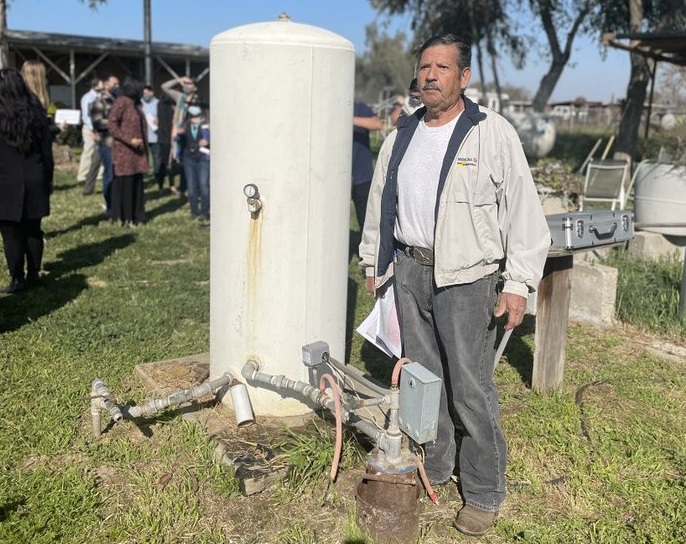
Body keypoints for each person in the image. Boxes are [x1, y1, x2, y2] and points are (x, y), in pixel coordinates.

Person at [359, 34, 550, 536]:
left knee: (470, 387)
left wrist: (519, 283)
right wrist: (373, 263)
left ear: (463, 78)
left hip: (468, 279)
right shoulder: (403, 132)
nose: (430, 75)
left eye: (442, 67)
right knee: (425, 382)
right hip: (411, 271)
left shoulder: (490, 133)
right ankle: (438, 464)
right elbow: (381, 203)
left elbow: (525, 215)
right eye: (424, 66)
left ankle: (484, 490)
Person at [0, 68, 54, 294]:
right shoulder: (36, 113)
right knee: (33, 228)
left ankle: (17, 277)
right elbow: (46, 152)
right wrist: (48, 179)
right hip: (35, 176)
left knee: (11, 231)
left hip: (5, 180)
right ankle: (34, 272)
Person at [108, 78, 148, 227]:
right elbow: (112, 124)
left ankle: (138, 215)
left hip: (137, 153)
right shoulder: (122, 102)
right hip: (124, 153)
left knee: (137, 184)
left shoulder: (136, 104)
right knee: (125, 184)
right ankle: (126, 217)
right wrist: (128, 140)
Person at [91, 75, 120, 216]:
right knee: (109, 175)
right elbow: (97, 122)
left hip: (120, 145)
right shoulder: (99, 102)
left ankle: (118, 204)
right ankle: (110, 207)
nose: (117, 87)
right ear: (107, 85)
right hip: (107, 144)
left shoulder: (119, 102)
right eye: (114, 84)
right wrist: (114, 123)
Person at [352, 102, 383, 231]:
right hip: (336, 179)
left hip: (362, 176)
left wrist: (347, 118)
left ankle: (366, 249)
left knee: (366, 221)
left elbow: (378, 124)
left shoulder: (359, 107)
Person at [179, 105, 210, 220]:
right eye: (192, 116)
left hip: (203, 157)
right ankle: (194, 211)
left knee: (203, 184)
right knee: (191, 186)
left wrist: (208, 140)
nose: (194, 119)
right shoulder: (186, 126)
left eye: (197, 116)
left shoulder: (206, 126)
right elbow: (180, 140)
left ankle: (204, 211)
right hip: (189, 158)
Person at [76, 77, 103, 194]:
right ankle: (82, 175)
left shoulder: (100, 96)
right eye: (102, 83)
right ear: (96, 85)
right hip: (90, 127)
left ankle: (99, 174)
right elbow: (86, 116)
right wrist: (93, 129)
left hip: (100, 127)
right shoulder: (88, 98)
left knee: (101, 151)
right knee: (89, 150)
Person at [141, 85, 161, 186]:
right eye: (143, 93)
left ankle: (157, 174)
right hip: (143, 135)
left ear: (152, 93)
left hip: (155, 134)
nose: (145, 95)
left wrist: (159, 120)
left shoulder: (158, 103)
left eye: (146, 93)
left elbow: (163, 116)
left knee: (156, 156)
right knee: (143, 156)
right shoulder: (140, 103)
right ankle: (144, 173)